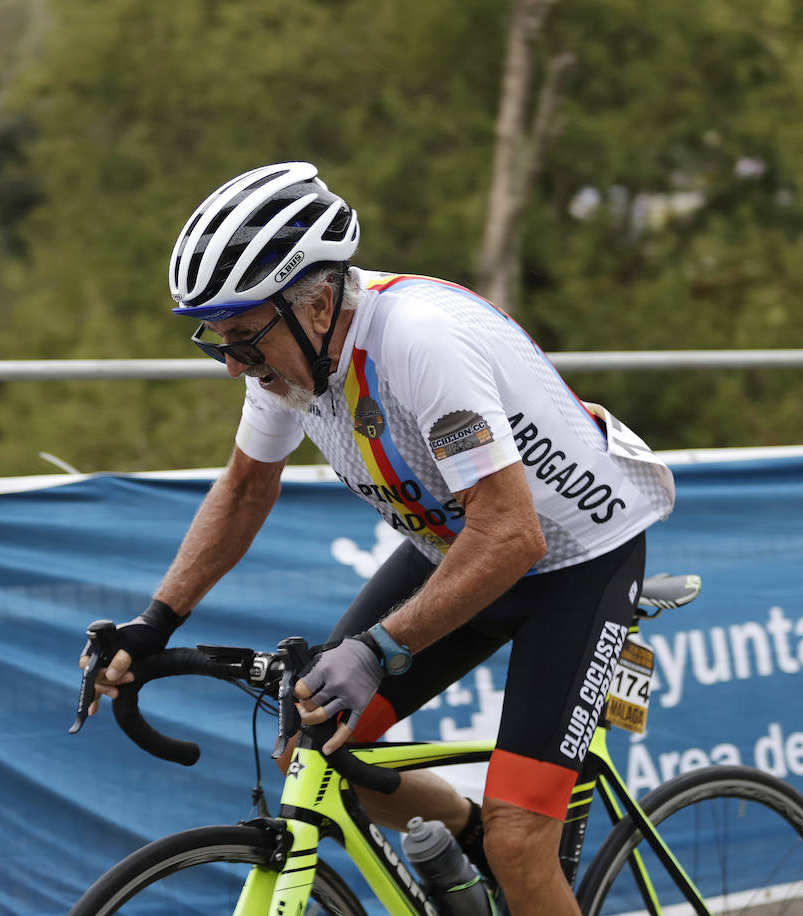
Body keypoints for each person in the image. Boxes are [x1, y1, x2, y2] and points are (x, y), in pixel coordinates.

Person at [81, 161, 675, 914]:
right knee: (316, 742)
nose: (233, 363)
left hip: (572, 561)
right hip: (458, 545)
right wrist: (156, 619)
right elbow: (245, 489)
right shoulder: (288, 364)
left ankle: (494, 845)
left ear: (319, 304)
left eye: (243, 338)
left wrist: (380, 646)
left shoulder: (420, 344)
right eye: (216, 339)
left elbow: (515, 534)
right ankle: (459, 835)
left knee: (521, 840)